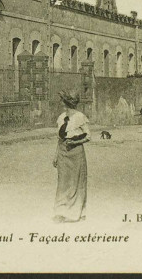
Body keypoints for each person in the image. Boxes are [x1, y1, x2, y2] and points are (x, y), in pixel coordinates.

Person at [52, 90, 90, 223]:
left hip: (76, 153)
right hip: (63, 152)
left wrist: (74, 141)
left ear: (67, 102)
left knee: (76, 182)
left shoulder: (80, 117)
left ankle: (77, 212)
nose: (61, 103)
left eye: (62, 100)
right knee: (62, 182)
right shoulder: (61, 117)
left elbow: (88, 136)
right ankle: (60, 211)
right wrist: (56, 155)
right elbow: (59, 139)